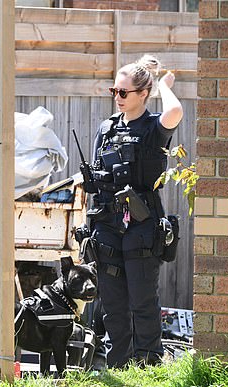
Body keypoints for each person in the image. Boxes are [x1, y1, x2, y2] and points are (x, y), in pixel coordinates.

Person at [83, 54, 183, 368]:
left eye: (124, 92)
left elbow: (176, 110)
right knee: (112, 301)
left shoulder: (155, 127)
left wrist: (164, 85)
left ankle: (148, 363)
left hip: (141, 224)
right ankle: (117, 363)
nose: (118, 98)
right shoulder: (107, 128)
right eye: (115, 91)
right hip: (108, 221)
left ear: (143, 94)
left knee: (142, 298)